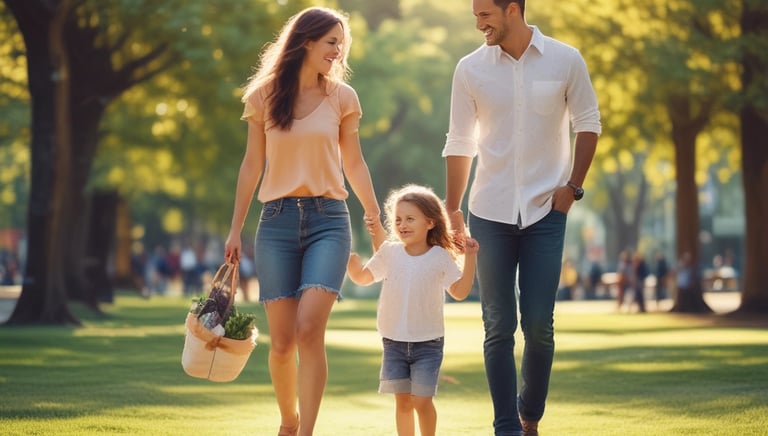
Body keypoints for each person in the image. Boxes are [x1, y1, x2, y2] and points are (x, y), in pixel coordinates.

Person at [442, 1, 601, 434]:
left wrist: (573, 187)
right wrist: (453, 209)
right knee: (498, 324)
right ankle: (507, 426)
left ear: (512, 8)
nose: (478, 24)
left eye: (484, 14)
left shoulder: (566, 59)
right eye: (475, 15)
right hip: (489, 211)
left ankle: (530, 415)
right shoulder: (469, 69)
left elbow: (589, 122)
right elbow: (460, 141)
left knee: (538, 325)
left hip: (546, 210)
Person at [223, 7, 382, 436]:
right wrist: (235, 228)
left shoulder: (343, 98)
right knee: (282, 343)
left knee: (309, 329)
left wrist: (374, 215)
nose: (338, 49)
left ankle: (306, 431)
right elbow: (251, 164)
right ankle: (289, 420)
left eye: (340, 42)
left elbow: (354, 161)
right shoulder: (263, 96)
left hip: (329, 219)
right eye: (331, 41)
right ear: (306, 41)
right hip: (274, 222)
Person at [346, 184, 480, 436]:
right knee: (403, 403)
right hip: (393, 342)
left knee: (421, 401)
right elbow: (364, 277)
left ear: (430, 222)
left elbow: (460, 292)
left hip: (428, 343)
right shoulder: (390, 252)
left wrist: (470, 258)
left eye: (410, 218)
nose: (402, 224)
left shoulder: (440, 256)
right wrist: (352, 265)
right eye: (397, 219)